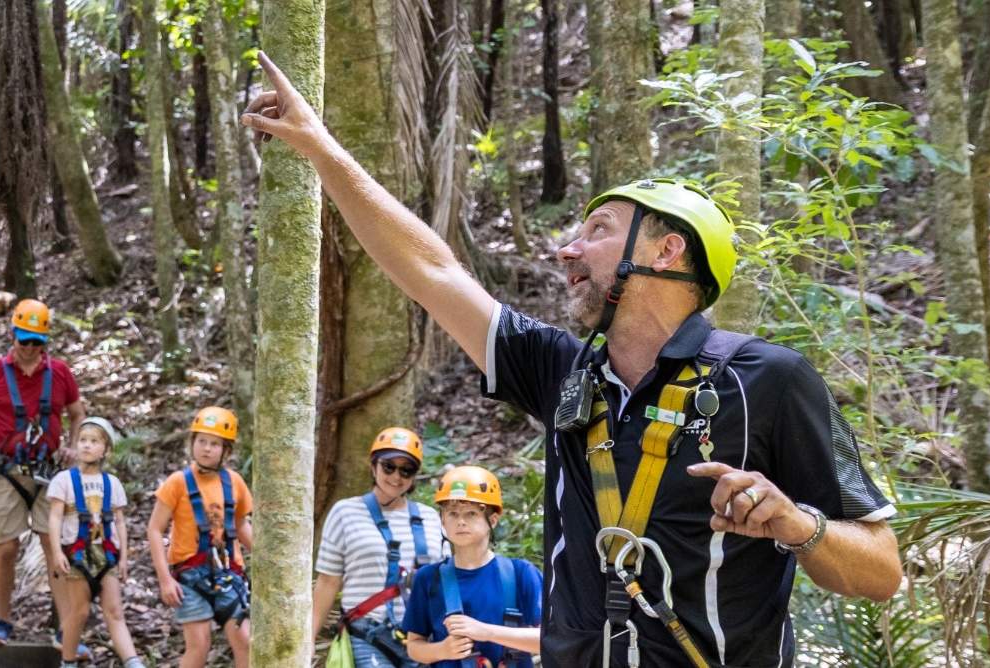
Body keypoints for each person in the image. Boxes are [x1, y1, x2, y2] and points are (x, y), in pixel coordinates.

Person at [240, 53, 904, 667]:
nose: (566, 250)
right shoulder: (565, 372)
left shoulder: (768, 380)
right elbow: (432, 272)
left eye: (598, 230)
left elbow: (880, 572)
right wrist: (320, 148)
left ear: (668, 251)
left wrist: (795, 523)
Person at [0, 298, 85, 644]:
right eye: (24, 340)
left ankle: (65, 628)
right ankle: (3, 619)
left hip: (48, 471)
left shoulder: (60, 373)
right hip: (7, 472)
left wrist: (72, 444)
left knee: (54, 547)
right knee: (6, 547)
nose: (30, 348)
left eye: (37, 342)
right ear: (13, 336)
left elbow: (77, 413)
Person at [314, 428, 446, 668]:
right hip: (367, 635)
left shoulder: (431, 518)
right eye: (389, 466)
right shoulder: (345, 512)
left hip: (422, 640)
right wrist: (307, 640)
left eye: (406, 470)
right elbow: (328, 582)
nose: (396, 476)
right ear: (373, 465)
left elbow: (446, 580)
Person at [396, 466, 543, 668]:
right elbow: (414, 646)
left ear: (493, 520)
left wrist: (486, 631)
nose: (461, 522)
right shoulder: (428, 578)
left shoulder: (521, 574)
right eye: (453, 514)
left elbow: (548, 640)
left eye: (471, 513)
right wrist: (443, 650)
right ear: (442, 521)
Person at [149, 407, 254, 668]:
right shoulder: (177, 483)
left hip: (228, 574)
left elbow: (240, 524)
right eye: (202, 441)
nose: (207, 449)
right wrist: (164, 581)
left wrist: (266, 557)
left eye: (215, 444)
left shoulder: (234, 482)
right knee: (199, 645)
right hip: (189, 577)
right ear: (192, 443)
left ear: (226, 451)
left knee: (245, 640)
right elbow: (154, 529)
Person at [47, 418, 145, 668]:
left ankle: (132, 661)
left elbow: (120, 522)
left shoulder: (112, 483)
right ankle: (67, 661)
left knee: (114, 611)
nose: (86, 446)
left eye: (94, 441)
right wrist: (56, 551)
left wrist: (123, 558)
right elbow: (56, 517)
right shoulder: (64, 480)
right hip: (78, 553)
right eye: (82, 440)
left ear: (105, 449)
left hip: (106, 554)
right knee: (79, 611)